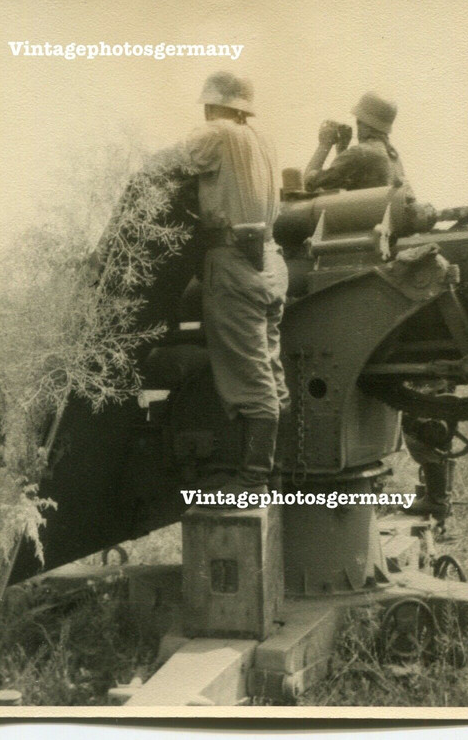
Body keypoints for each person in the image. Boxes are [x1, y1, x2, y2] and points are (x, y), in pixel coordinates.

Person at [304, 91, 448, 520]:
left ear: (363, 123)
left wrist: (326, 143)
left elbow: (312, 183)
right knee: (414, 401)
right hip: (387, 267)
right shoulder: (389, 154)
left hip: (359, 267)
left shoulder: (362, 153)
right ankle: (435, 495)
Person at [180, 71, 290, 498]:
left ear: (211, 106)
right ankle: (271, 473)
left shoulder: (216, 134)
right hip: (270, 262)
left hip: (232, 263)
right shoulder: (262, 140)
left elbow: (175, 162)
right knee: (270, 369)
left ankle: (252, 481)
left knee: (250, 377)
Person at [304, 91, 414, 200]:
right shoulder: (393, 156)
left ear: (361, 122)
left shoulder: (359, 153)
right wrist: (342, 148)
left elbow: (308, 185)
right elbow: (348, 184)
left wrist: (325, 144)